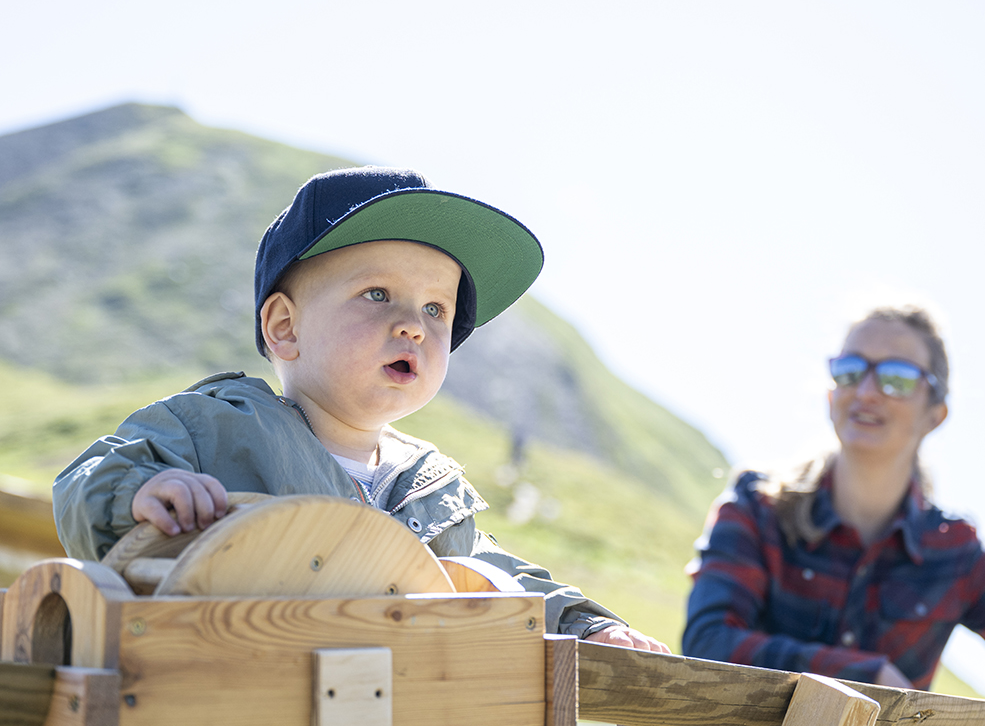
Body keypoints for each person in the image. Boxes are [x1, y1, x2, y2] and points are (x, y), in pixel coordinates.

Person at [53, 165, 666, 650]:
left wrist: (586, 624)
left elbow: (498, 577)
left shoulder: (434, 492)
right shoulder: (215, 426)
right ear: (285, 327)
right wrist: (140, 492)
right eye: (378, 294)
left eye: (436, 309)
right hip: (231, 711)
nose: (414, 327)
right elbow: (84, 482)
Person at [683, 306, 985, 726]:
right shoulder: (756, 508)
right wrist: (866, 674)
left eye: (896, 377)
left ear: (935, 412)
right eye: (851, 370)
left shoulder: (957, 555)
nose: (867, 391)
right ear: (832, 392)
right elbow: (707, 643)